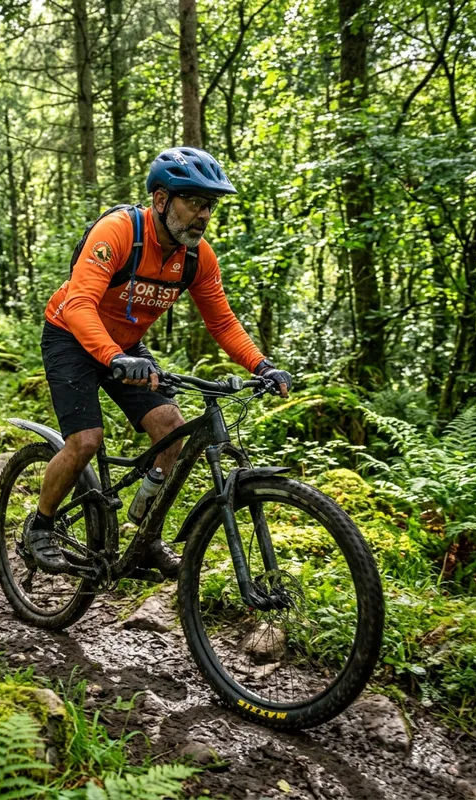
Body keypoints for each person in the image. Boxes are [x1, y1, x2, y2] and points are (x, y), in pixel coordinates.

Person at [28, 147, 292, 576]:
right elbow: (78, 304)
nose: (204, 215)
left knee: (171, 429)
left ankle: (145, 536)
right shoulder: (118, 232)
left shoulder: (197, 257)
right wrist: (114, 357)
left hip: (125, 347)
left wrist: (261, 366)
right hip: (70, 336)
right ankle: (40, 526)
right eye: (195, 202)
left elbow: (222, 322)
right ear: (161, 199)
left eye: (210, 205)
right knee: (86, 440)